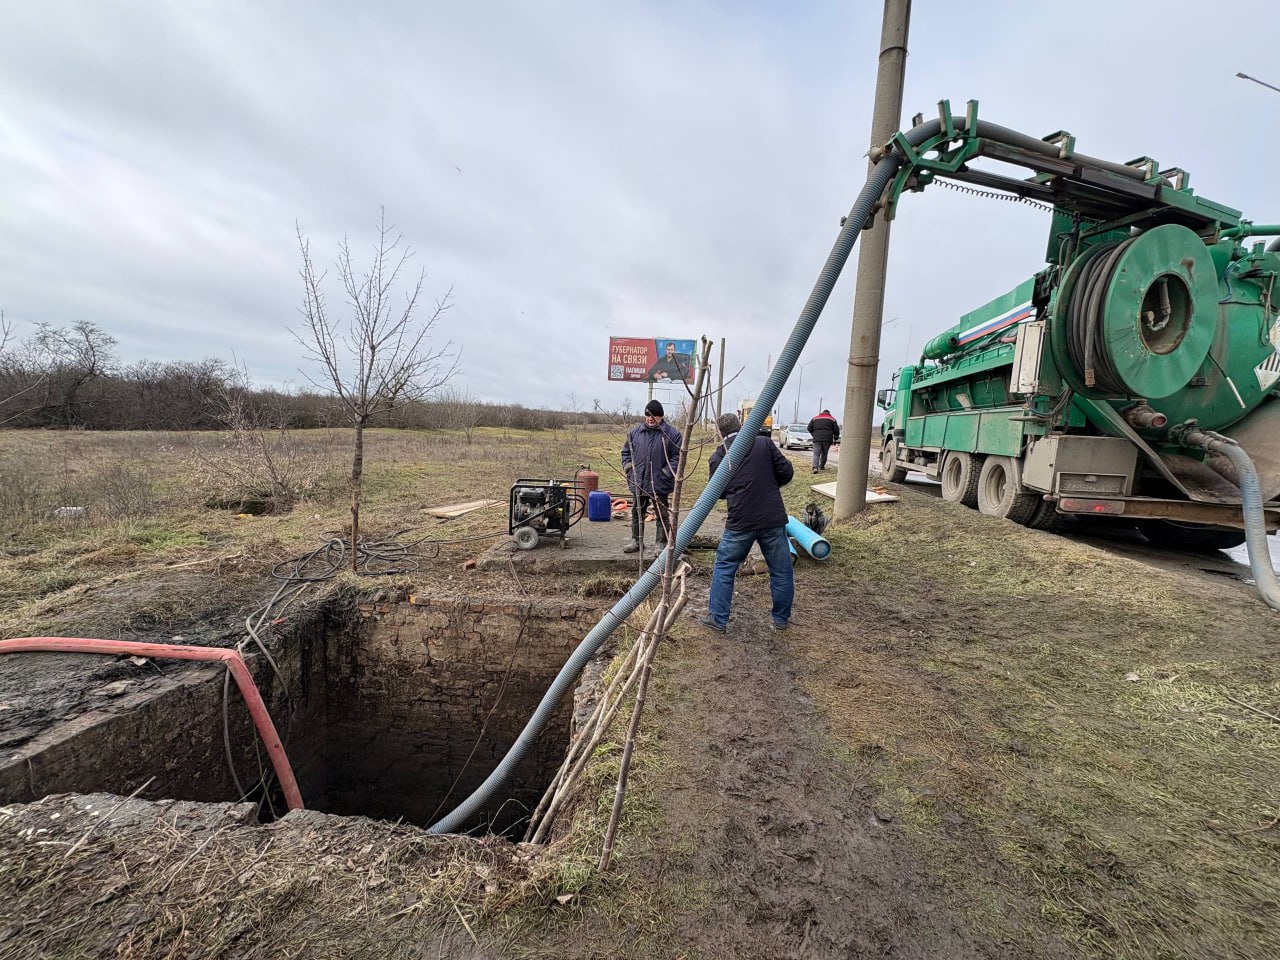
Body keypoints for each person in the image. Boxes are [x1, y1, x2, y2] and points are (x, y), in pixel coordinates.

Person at [697, 412, 795, 633]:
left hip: (740, 521)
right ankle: (780, 619)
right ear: (740, 426)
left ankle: (718, 619)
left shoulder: (719, 456)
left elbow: (718, 492)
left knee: (725, 567)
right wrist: (768, 484)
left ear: (719, 433)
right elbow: (786, 472)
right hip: (772, 518)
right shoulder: (763, 443)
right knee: (781, 569)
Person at [620, 399, 682, 553]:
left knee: (662, 513)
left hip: (659, 482)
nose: (650, 419)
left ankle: (661, 543)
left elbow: (678, 458)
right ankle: (636, 541)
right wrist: (629, 469)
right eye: (647, 416)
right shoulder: (635, 433)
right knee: (637, 511)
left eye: (654, 416)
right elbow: (626, 453)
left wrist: (666, 473)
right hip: (638, 481)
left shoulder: (672, 435)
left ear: (661, 417)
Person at [806, 408, 840, 473]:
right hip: (827, 439)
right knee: (824, 453)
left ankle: (815, 467)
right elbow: (836, 430)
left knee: (816, 453)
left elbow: (809, 428)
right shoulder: (832, 419)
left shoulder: (815, 418)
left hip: (817, 439)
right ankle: (821, 466)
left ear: (822, 413)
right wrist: (836, 437)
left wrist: (813, 434)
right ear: (829, 413)